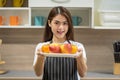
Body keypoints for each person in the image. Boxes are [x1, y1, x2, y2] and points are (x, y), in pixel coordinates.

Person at [33, 6, 87, 80]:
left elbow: (82, 74)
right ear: (49, 23)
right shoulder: (42, 47)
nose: (61, 27)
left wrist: (79, 57)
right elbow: (38, 73)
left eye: (65, 23)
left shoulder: (78, 47)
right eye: (56, 23)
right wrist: (40, 57)